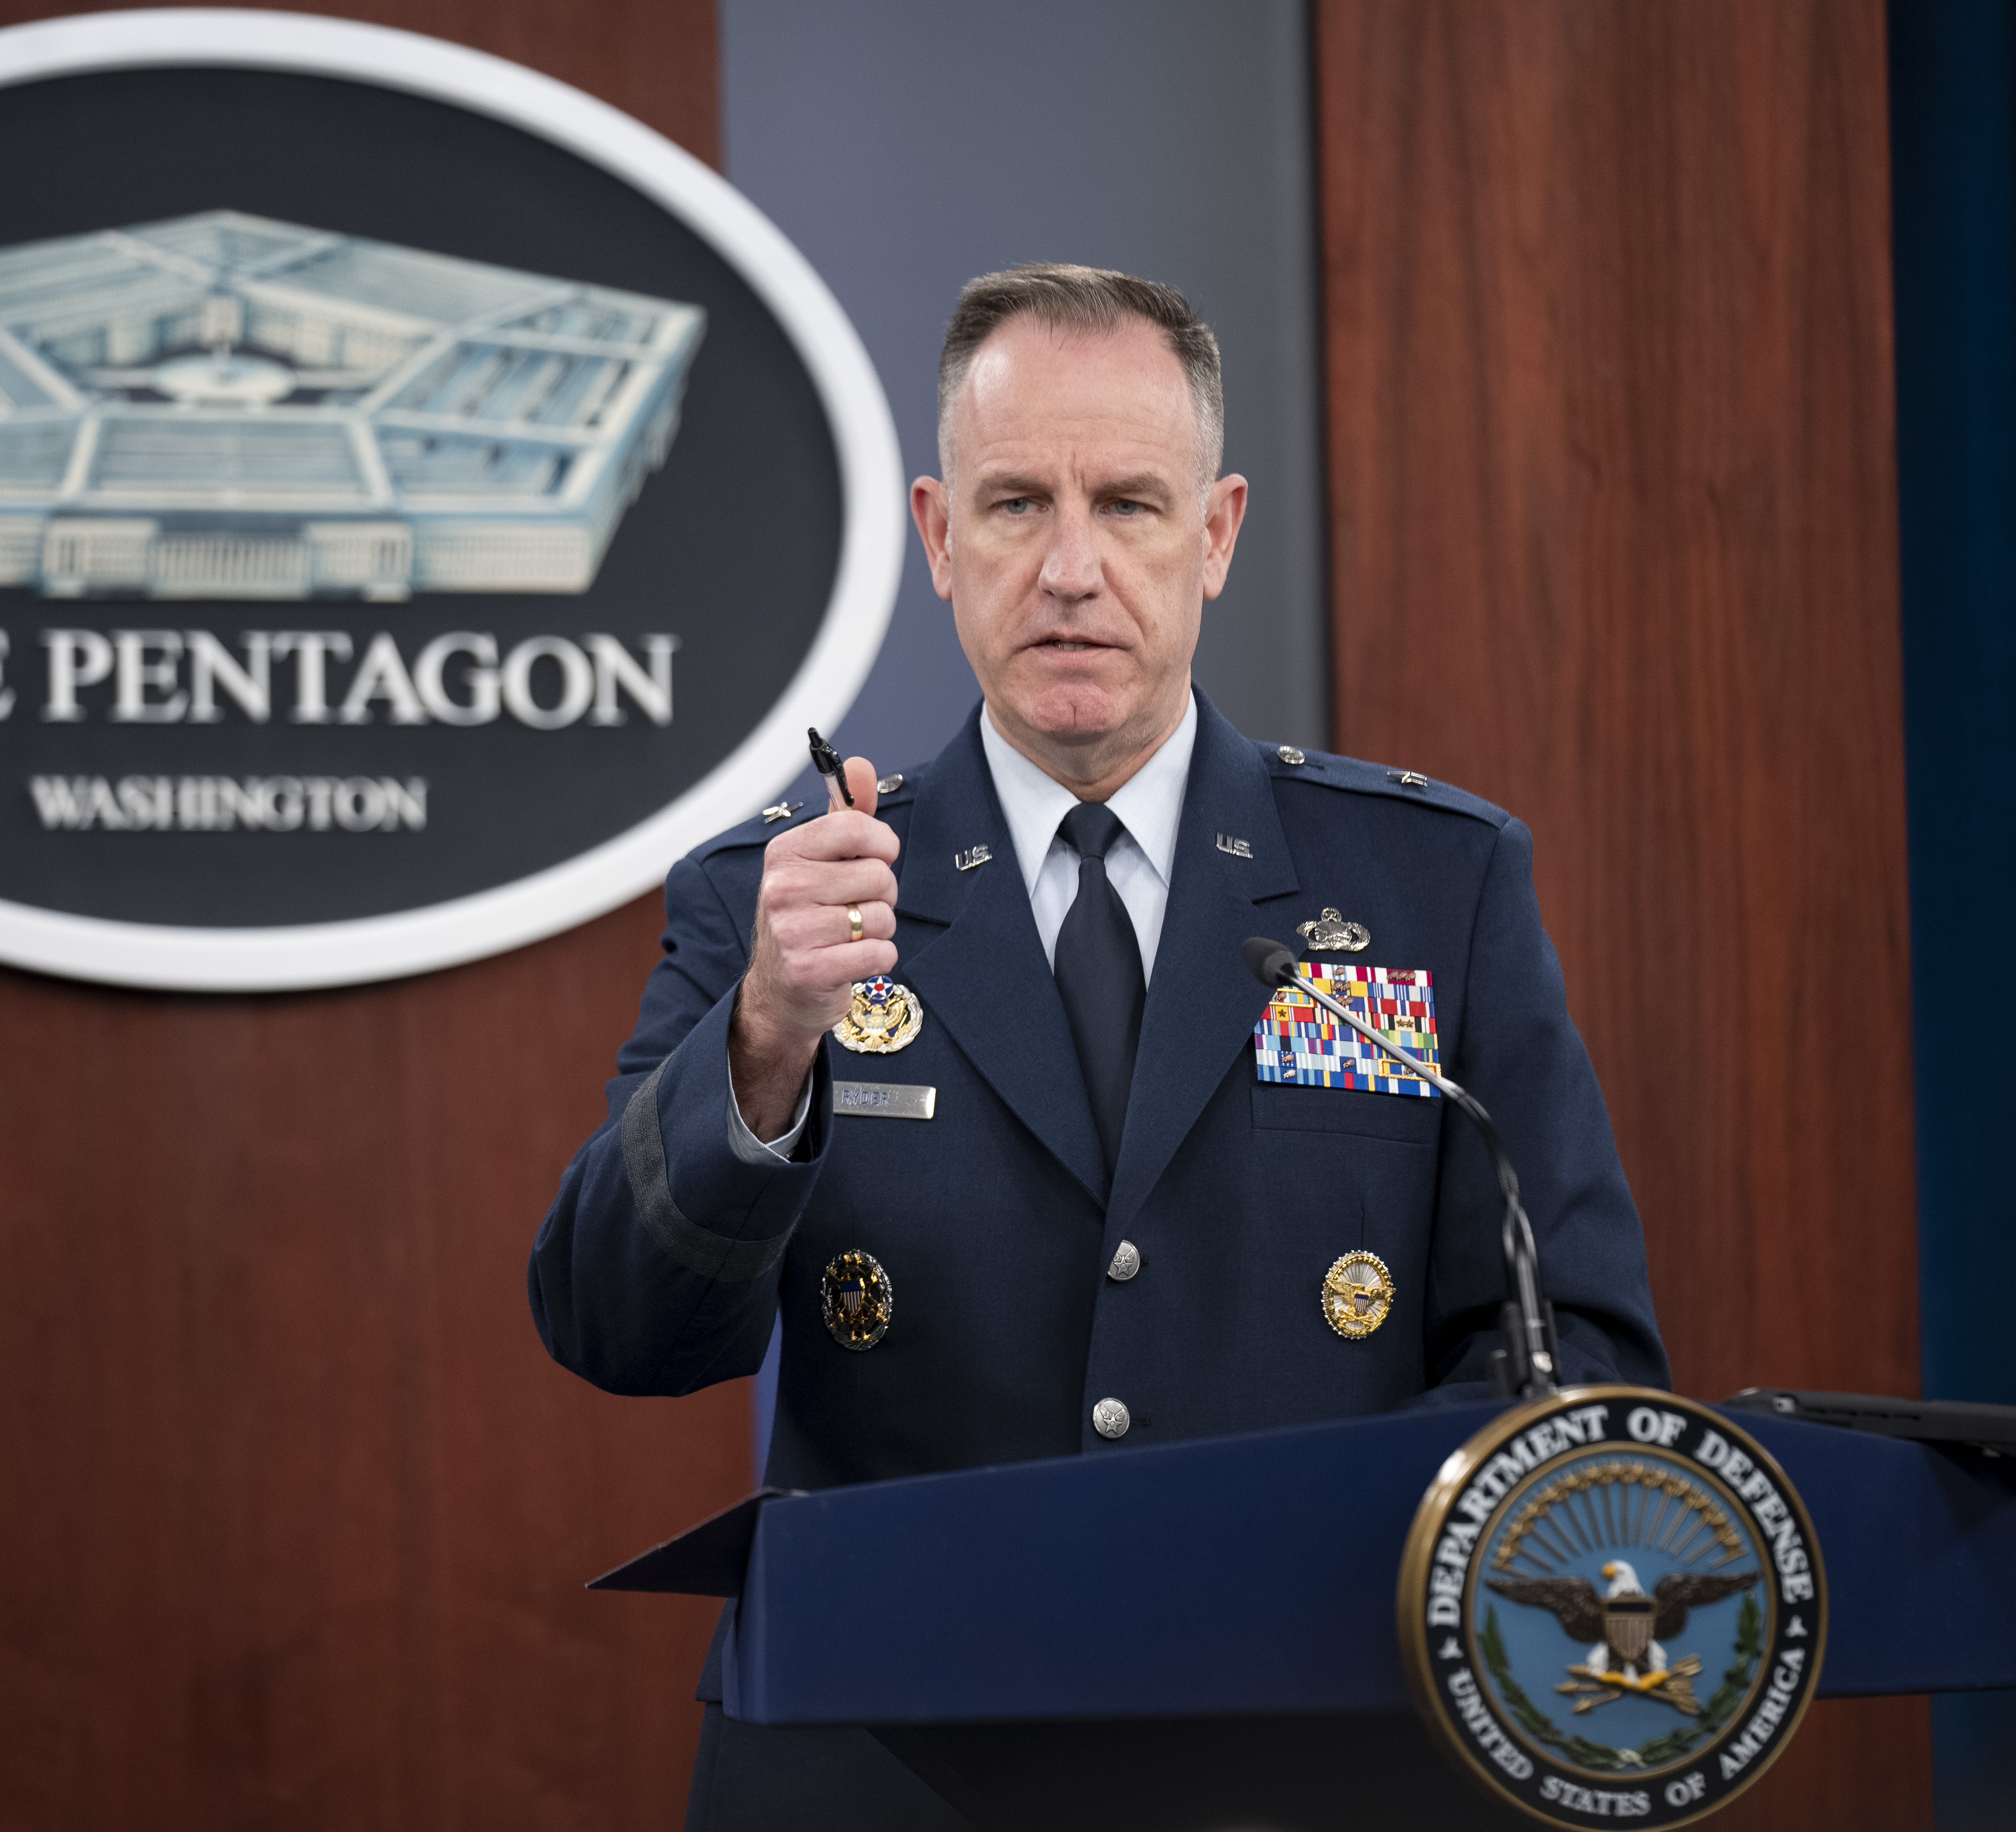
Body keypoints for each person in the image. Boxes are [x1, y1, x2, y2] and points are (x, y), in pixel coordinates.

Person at [528, 265, 1666, 1830]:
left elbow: (1576, 1349)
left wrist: (1282, 1557)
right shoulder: (784, 899)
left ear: (1216, 536)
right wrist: (767, 1038)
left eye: (1130, 504)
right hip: (893, 1757)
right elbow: (615, 1332)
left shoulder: (1427, 886)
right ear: (938, 537)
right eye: (1015, 506)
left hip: (1312, 1745)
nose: (1071, 569)